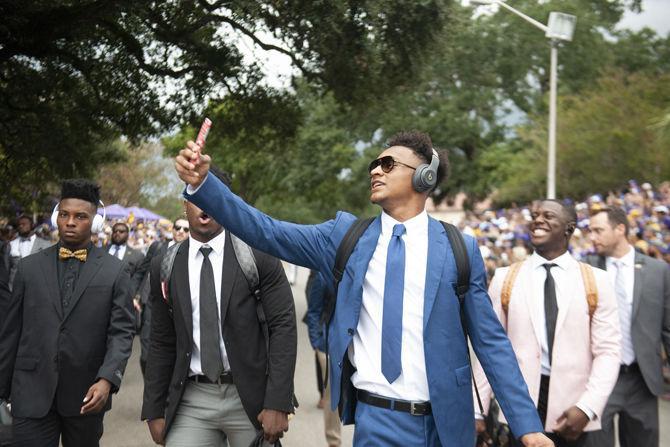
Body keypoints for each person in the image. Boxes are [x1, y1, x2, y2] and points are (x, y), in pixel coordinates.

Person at [175, 131, 551, 446]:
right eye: (374, 163)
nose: (375, 169)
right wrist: (204, 186)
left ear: (424, 177)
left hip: (446, 426)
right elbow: (266, 230)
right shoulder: (345, 238)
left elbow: (491, 342)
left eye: (388, 164)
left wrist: (528, 426)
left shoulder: (459, 249)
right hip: (375, 421)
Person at [141, 168, 297, 447]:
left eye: (214, 196)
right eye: (197, 196)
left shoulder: (258, 256)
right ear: (185, 203)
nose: (206, 205)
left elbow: (283, 327)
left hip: (250, 399)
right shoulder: (165, 265)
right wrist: (154, 409)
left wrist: (278, 401)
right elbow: (161, 340)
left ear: (227, 203)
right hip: (191, 400)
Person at [472, 200, 621, 447]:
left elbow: (608, 351)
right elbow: (489, 349)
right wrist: (478, 409)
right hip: (519, 411)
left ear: (569, 228)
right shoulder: (505, 278)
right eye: (535, 215)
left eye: (548, 215)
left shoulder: (596, 281)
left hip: (574, 414)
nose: (538, 220)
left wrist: (587, 407)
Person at [0, 179, 135, 447]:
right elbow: (11, 332)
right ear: (56, 218)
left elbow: (121, 332)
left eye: (80, 216)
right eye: (64, 215)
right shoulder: (28, 268)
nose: (70, 222)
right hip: (30, 393)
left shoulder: (114, 271)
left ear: (95, 223)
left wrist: (107, 379)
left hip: (87, 395)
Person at [584, 206, 670, 447]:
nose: (592, 237)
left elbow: (668, 330)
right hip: (598, 381)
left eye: (598, 230)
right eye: (590, 231)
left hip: (642, 381)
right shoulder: (586, 269)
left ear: (620, 229)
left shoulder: (658, 271)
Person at [134, 217, 190, 375]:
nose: (180, 232)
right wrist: (135, 295)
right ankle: (151, 384)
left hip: (176, 309)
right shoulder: (157, 247)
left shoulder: (192, 254)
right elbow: (142, 272)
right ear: (172, 229)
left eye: (185, 229)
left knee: (170, 354)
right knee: (146, 355)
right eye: (178, 227)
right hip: (151, 305)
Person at [305, 270, 342, 447]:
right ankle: (334, 442)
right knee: (331, 393)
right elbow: (313, 311)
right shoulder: (322, 276)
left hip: (351, 344)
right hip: (326, 345)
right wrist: (317, 342)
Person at [8, 214, 52, 289]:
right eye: (19, 225)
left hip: (39, 287)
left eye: (24, 224)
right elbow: (7, 267)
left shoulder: (46, 245)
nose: (21, 226)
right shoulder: (11, 244)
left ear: (32, 225)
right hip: (15, 287)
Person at [107, 222, 145, 294]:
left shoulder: (137, 256)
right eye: (115, 231)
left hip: (123, 296)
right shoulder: (102, 251)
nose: (117, 233)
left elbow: (137, 278)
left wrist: (131, 295)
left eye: (121, 232)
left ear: (127, 234)